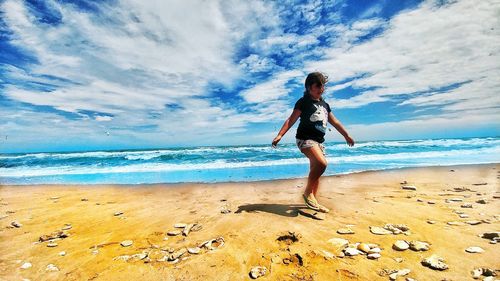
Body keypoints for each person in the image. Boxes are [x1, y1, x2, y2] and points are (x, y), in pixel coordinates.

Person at [272, 72, 354, 213]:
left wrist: (346, 135)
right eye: (318, 86)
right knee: (322, 164)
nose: (321, 89)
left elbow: (335, 122)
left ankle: (313, 201)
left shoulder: (325, 105)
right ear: (310, 87)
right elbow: (290, 120)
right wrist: (280, 135)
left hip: (318, 142)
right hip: (305, 139)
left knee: (315, 171)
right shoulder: (303, 102)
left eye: (323, 86)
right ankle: (307, 193)